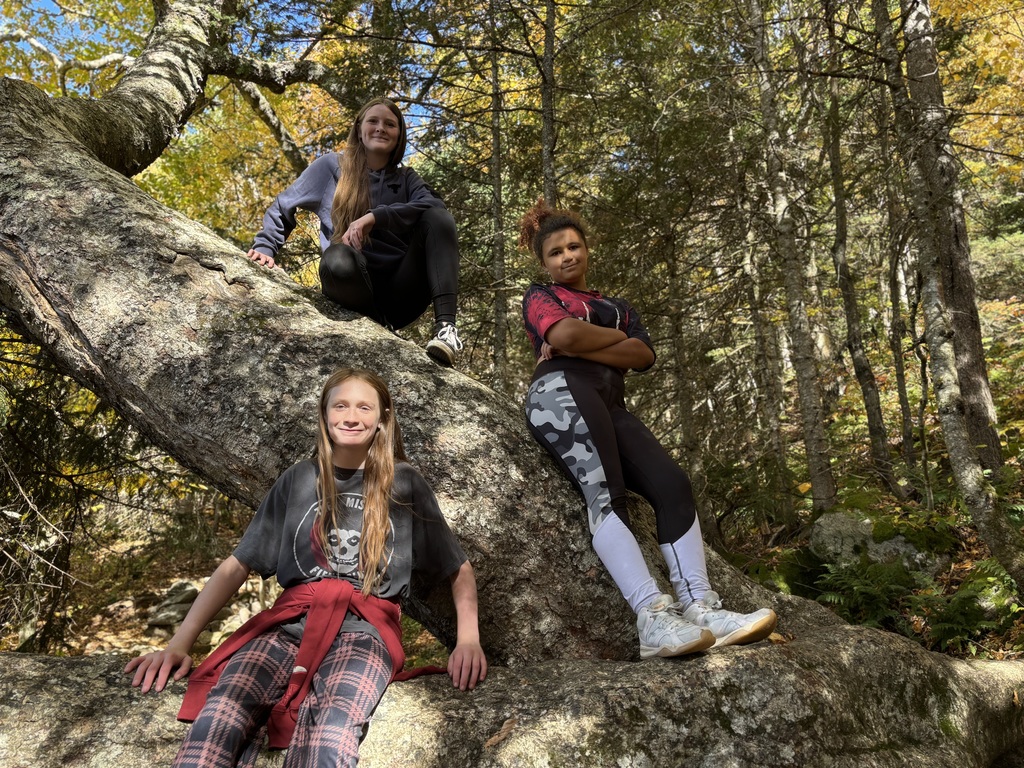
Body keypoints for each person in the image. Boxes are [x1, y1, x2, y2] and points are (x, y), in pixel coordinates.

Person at [125, 368, 487, 766]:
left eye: (364, 407)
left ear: (383, 418)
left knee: (332, 730)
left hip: (365, 635)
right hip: (287, 627)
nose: (351, 416)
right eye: (341, 406)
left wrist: (467, 640)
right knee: (218, 718)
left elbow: (458, 567)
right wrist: (179, 644)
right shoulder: (300, 478)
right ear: (325, 414)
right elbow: (238, 564)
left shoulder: (404, 484)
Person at [519, 201, 777, 659]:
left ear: (588, 250)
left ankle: (700, 608)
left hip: (608, 400)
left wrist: (591, 340)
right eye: (556, 252)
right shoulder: (541, 296)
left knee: (672, 484)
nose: (567, 256)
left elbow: (644, 356)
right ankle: (653, 618)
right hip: (558, 392)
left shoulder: (617, 307)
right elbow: (565, 338)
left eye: (574, 246)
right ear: (545, 263)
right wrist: (611, 341)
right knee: (607, 495)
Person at [246, 98, 464, 367]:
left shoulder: (407, 179)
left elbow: (435, 208)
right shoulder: (332, 167)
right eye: (373, 121)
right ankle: (375, 323)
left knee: (438, 217)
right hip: (350, 283)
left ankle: (447, 330)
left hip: (401, 294)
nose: (380, 128)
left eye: (390, 124)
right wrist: (266, 247)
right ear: (359, 128)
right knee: (337, 257)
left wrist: (375, 217)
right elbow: (283, 206)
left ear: (399, 136)